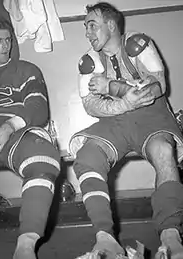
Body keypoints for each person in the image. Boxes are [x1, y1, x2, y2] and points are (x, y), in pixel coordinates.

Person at [68, 2, 183, 259]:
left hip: (151, 117)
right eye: (86, 26)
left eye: (92, 25)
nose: (87, 32)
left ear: (111, 25)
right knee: (87, 156)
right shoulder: (89, 61)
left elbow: (157, 86)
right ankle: (105, 240)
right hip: (115, 120)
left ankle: (171, 237)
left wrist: (113, 87)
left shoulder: (138, 44)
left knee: (163, 150)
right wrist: (124, 100)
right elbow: (91, 106)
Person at [0, 17, 60, 259]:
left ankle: (26, 244)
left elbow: (38, 108)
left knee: (44, 159)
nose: (6, 46)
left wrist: (9, 126)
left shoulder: (27, 70)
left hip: (14, 133)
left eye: (8, 40)